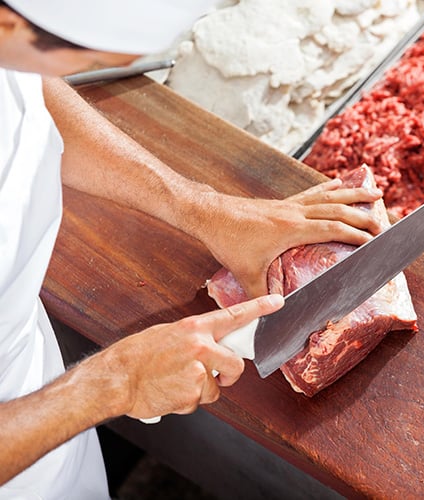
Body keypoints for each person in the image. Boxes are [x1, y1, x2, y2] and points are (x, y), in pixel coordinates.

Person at [0, 0, 383, 498]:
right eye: (93, 64)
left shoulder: (16, 43)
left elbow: (28, 87)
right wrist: (112, 383)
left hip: (34, 383)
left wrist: (201, 208)